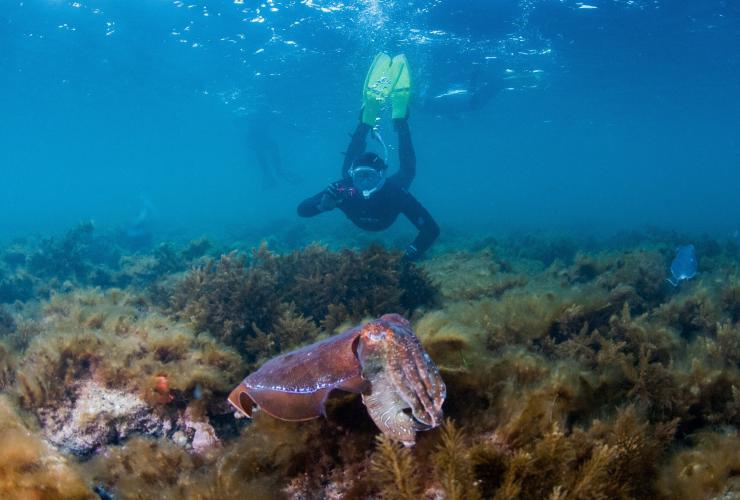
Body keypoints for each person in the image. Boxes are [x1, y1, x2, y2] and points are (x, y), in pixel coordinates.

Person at [297, 53, 439, 261]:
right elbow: (302, 210)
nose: (364, 183)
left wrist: (406, 256)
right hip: (352, 182)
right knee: (345, 173)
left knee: (407, 172)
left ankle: (397, 121)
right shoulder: (343, 190)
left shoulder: (395, 193)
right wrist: (321, 206)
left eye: (371, 177)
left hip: (388, 189)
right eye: (360, 177)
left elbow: (431, 230)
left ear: (382, 175)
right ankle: (367, 121)